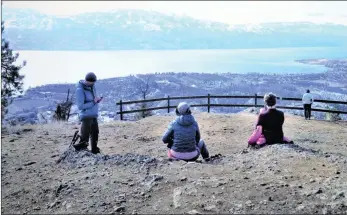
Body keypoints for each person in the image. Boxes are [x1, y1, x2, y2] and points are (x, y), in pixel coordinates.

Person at [73, 72, 103, 154]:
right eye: (91, 83)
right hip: (86, 116)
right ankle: (82, 154)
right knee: (85, 137)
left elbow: (93, 99)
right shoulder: (80, 90)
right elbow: (80, 106)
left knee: (95, 134)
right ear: (87, 81)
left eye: (93, 83)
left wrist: (97, 100)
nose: (93, 84)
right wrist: (93, 102)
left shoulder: (92, 87)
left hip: (94, 115)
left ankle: (94, 151)